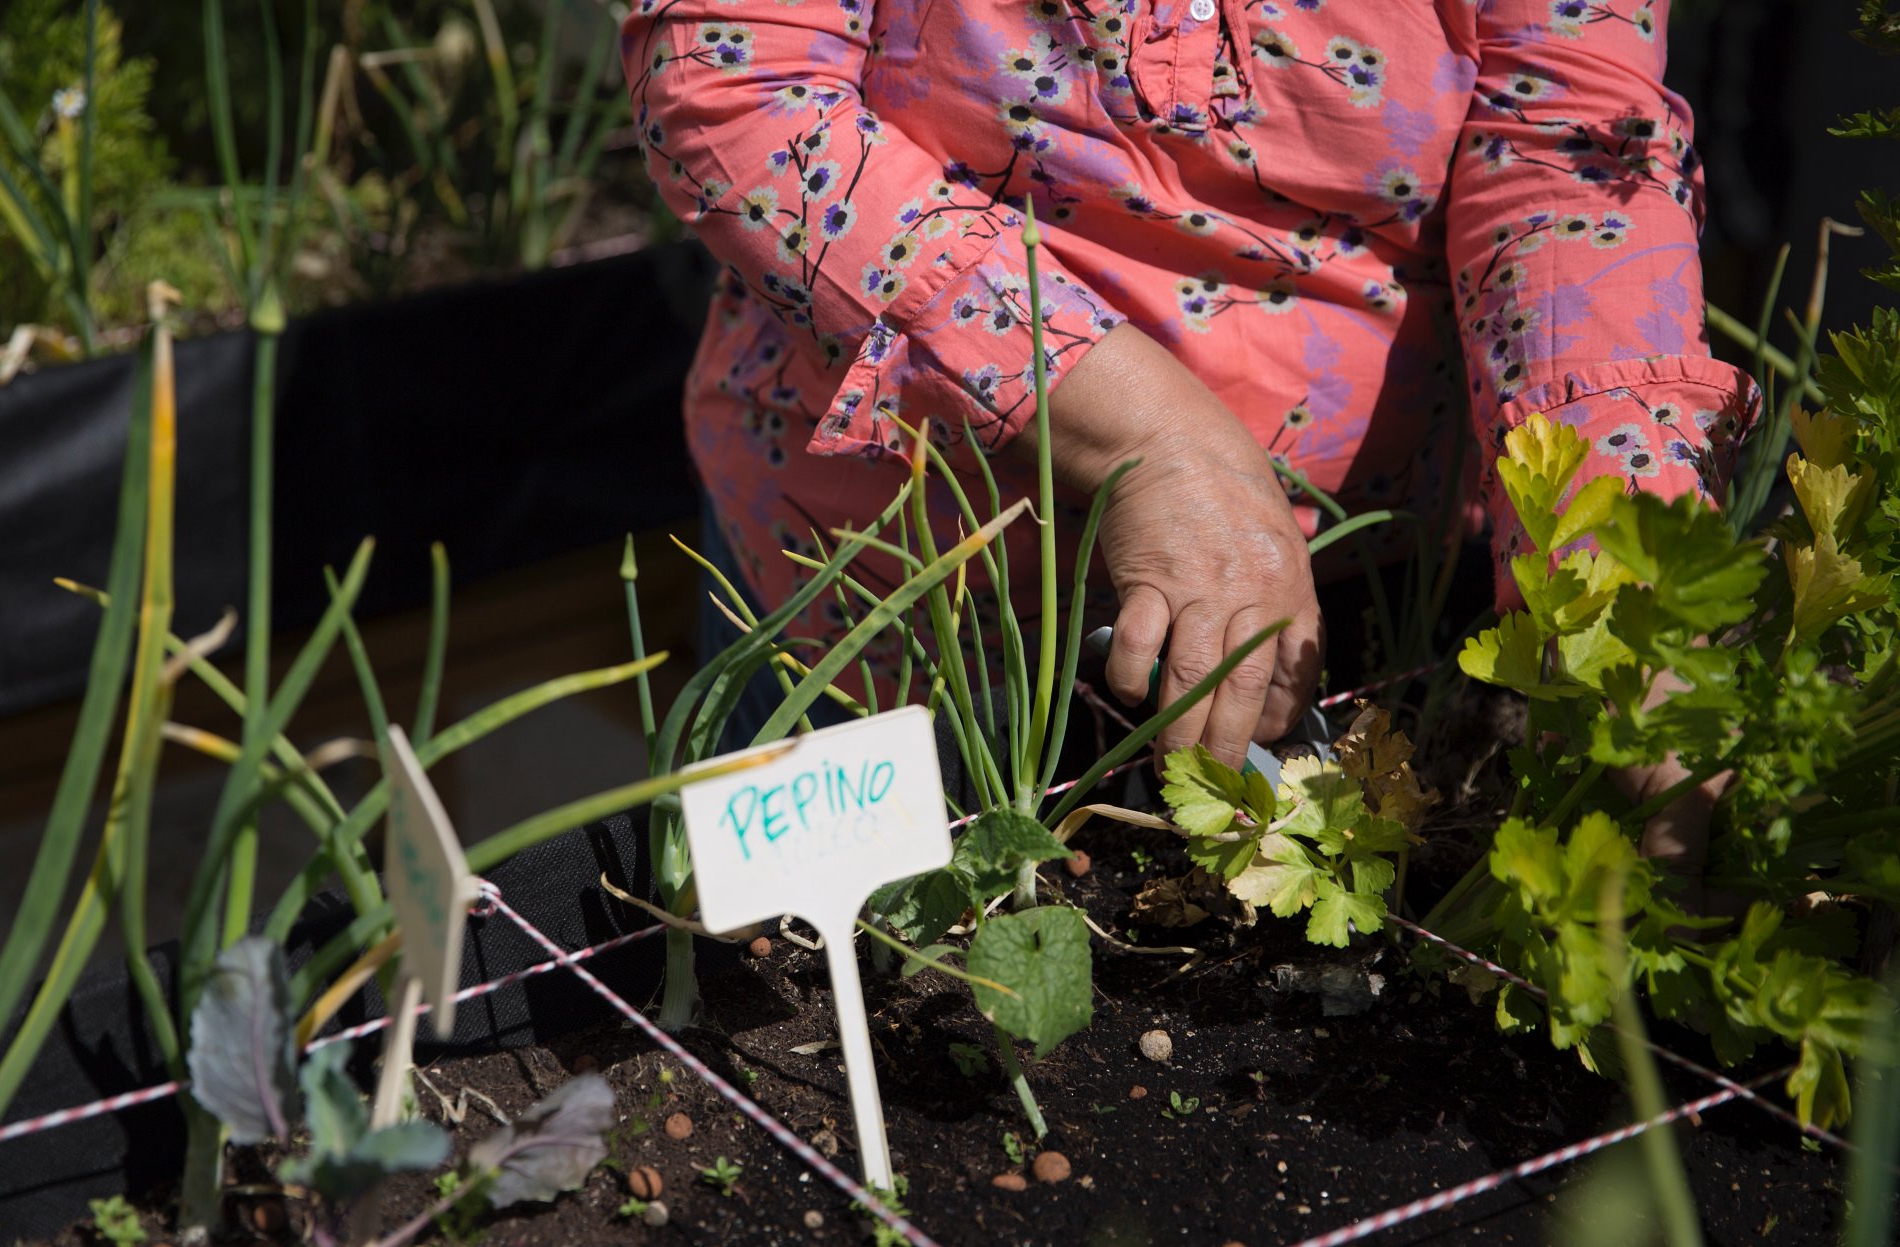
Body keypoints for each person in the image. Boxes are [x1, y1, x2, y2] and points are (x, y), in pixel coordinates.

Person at [621, 0, 1748, 867]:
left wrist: (1606, 571)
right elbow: (737, 90)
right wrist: (1140, 435)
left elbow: (1568, 153)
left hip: (1377, 588)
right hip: (906, 590)